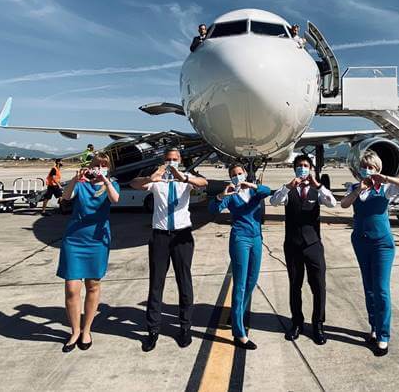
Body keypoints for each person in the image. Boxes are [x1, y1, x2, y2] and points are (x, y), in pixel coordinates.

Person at [338, 150, 399, 357]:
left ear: (377, 169)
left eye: (371, 167)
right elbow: (344, 204)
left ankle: (383, 335)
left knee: (381, 289)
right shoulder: (356, 188)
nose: (367, 170)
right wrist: (357, 191)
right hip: (361, 241)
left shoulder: (387, 189)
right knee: (369, 287)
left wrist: (386, 178)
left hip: (382, 243)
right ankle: (373, 326)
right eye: (364, 166)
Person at [131, 148, 209, 351]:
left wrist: (182, 177)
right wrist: (153, 176)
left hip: (182, 236)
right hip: (160, 236)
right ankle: (153, 330)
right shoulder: (157, 182)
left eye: (175, 159)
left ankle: (185, 327)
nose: (171, 162)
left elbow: (204, 183)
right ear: (163, 161)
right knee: (156, 283)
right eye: (168, 159)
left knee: (184, 281)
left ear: (180, 161)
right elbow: (134, 184)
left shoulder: (185, 179)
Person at [56, 153, 120, 352]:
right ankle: (74, 331)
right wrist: (75, 179)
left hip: (97, 241)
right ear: (90, 166)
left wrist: (105, 181)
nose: (100, 168)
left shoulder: (111, 184)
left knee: (93, 285)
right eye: (97, 165)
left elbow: (115, 199)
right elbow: (65, 197)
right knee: (72, 288)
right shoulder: (81, 184)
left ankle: (86, 330)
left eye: (104, 165)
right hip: (74, 240)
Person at [269, 154, 335, 344]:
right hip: (293, 245)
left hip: (313, 245)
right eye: (299, 165)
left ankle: (318, 324)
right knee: (295, 285)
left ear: (311, 168)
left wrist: (319, 186)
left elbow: (332, 203)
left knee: (318, 286)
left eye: (306, 165)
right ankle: (296, 322)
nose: (303, 168)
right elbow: (274, 202)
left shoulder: (317, 190)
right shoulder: (288, 190)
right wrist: (288, 186)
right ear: (295, 168)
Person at [211, 164, 271, 350]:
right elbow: (213, 209)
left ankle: (237, 313)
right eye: (234, 175)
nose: (237, 177)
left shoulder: (254, 193)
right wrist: (222, 195)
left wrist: (251, 185)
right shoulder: (231, 196)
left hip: (256, 239)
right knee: (240, 283)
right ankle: (239, 333)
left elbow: (267, 191)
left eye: (239, 173)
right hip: (240, 239)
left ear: (245, 174)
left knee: (252, 280)